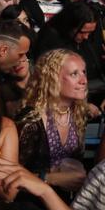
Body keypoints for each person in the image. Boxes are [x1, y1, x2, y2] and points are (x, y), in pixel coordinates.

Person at [14, 49, 89, 192]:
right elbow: (12, 177)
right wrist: (52, 178)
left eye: (84, 72)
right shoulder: (31, 120)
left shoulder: (78, 113)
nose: (83, 80)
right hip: (33, 205)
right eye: (74, 74)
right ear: (52, 78)